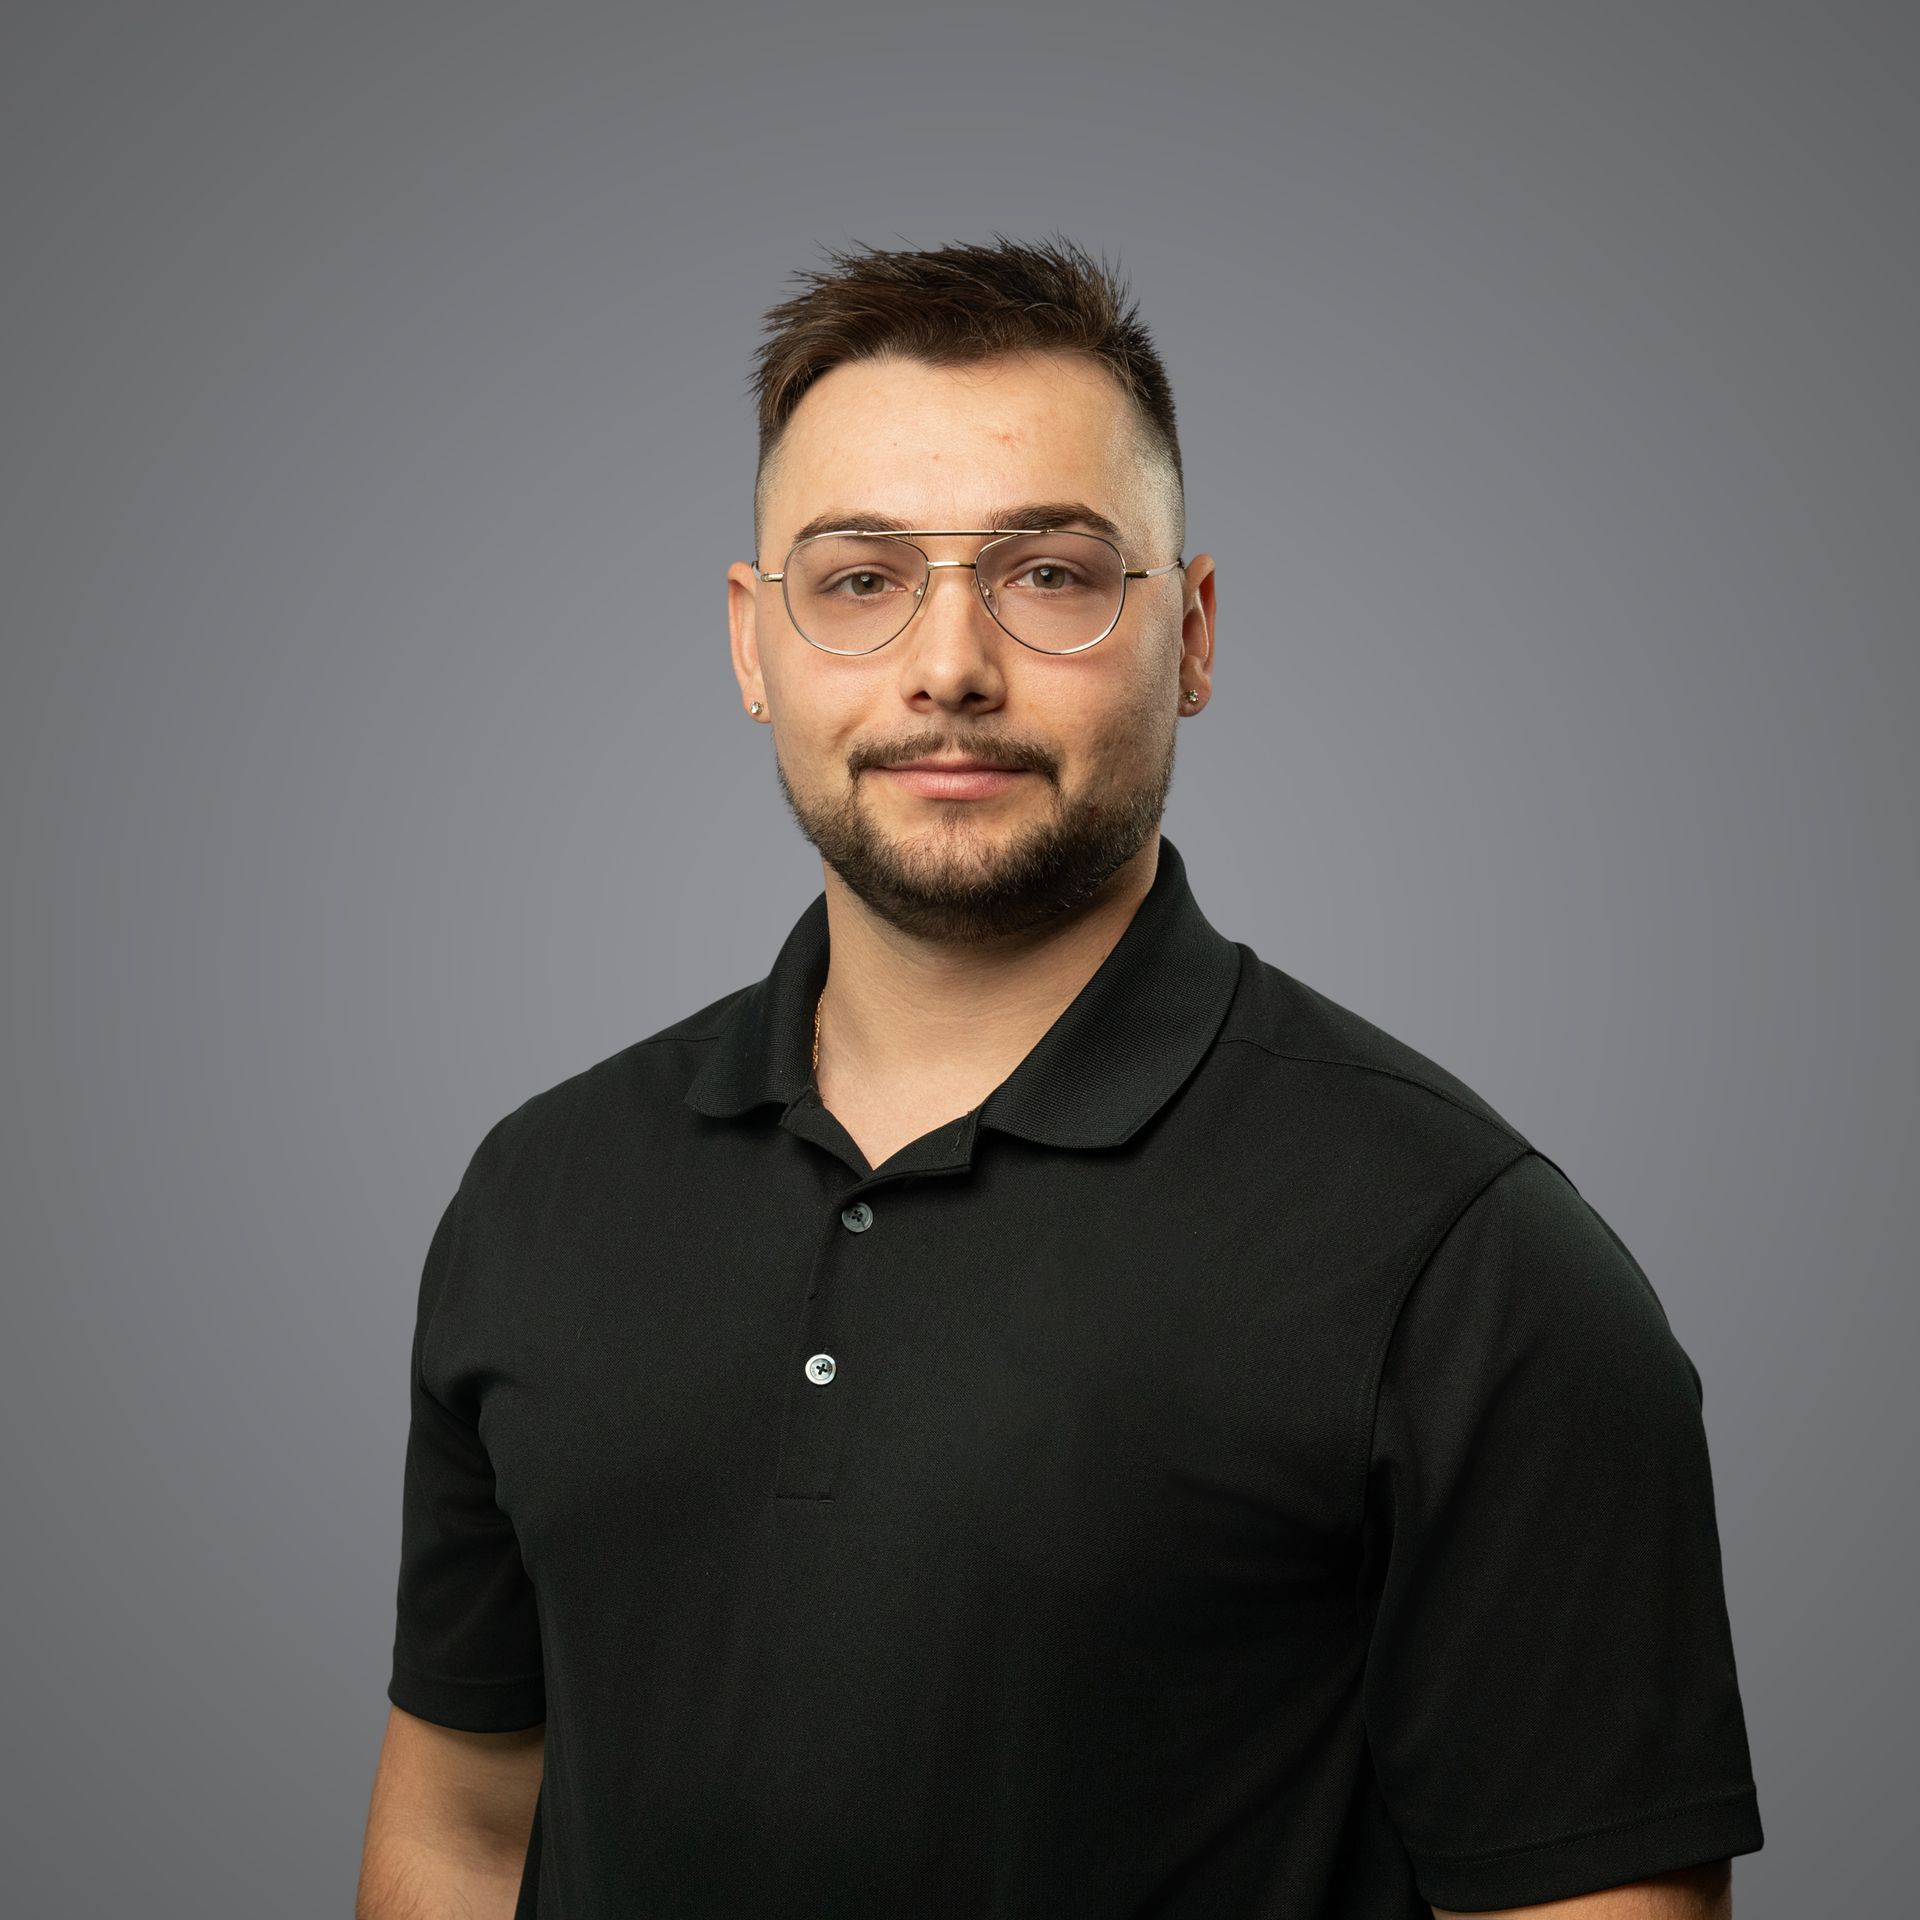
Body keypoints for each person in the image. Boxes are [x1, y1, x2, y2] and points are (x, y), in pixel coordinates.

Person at [355, 237, 1763, 1919]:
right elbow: (458, 1832)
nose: (949, 663)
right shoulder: (540, 1193)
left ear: (1196, 634)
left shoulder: (1468, 1264)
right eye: (860, 576)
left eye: (1049, 573)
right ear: (754, 643)